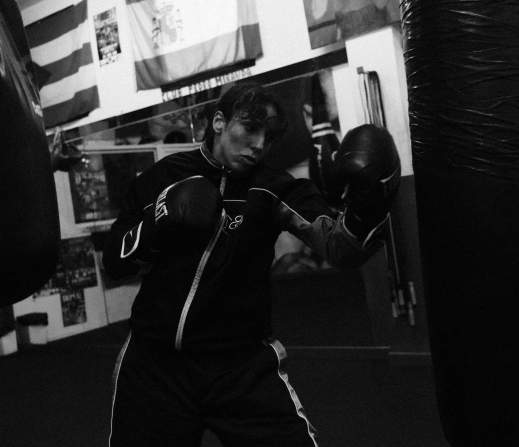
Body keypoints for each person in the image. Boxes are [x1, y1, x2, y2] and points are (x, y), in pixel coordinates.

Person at [102, 81, 401, 446]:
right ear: (219, 122)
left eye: (269, 137)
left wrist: (369, 206)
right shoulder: (161, 177)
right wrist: (156, 224)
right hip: (156, 364)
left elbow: (340, 246)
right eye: (250, 128)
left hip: (240, 366)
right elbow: (113, 263)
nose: (259, 144)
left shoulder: (274, 187)